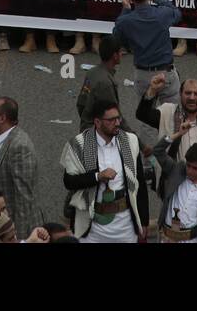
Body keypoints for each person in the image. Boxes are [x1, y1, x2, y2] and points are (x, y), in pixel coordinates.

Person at [60, 100, 148, 242]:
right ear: (97, 122)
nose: (117, 123)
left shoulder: (130, 141)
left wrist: (143, 221)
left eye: (118, 118)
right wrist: (97, 176)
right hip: (92, 228)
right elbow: (69, 182)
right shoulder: (79, 144)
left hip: (125, 227)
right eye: (111, 120)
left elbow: (140, 183)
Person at [112, 0, 182, 107]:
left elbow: (116, 37)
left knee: (146, 117)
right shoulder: (162, 14)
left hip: (143, 75)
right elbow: (176, 12)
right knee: (173, 118)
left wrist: (125, 10)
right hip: (165, 73)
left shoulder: (126, 21)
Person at [0, 96, 40, 237]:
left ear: (2, 119)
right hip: (1, 227)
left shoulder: (20, 146)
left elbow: (24, 199)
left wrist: (20, 238)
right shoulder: (1, 139)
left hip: (15, 229)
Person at [154, 141, 197, 243]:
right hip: (166, 238)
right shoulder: (177, 172)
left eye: (195, 168)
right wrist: (177, 135)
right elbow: (158, 151)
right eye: (188, 165)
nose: (189, 170)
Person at [76, 35, 128, 131]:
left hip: (87, 129)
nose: (122, 54)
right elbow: (115, 117)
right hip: (100, 134)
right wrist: (138, 141)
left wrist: (86, 119)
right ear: (115, 56)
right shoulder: (106, 84)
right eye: (120, 51)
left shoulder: (91, 72)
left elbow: (81, 103)